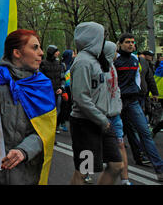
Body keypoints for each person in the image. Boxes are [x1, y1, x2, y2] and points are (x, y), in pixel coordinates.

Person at [0, 29, 56, 185]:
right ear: (17, 53)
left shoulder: (42, 86)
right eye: (35, 47)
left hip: (25, 175)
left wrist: (24, 150)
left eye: (40, 47)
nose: (41, 53)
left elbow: (46, 130)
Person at [69, 22, 123, 185]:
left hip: (101, 121)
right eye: (101, 36)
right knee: (84, 170)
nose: (104, 40)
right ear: (91, 38)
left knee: (116, 165)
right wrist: (102, 120)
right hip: (85, 123)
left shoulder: (96, 61)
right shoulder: (83, 62)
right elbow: (81, 98)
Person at [114, 33, 163, 181]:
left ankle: (159, 169)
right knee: (115, 136)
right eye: (127, 42)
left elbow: (143, 78)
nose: (131, 45)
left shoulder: (136, 60)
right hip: (117, 103)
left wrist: (151, 92)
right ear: (120, 44)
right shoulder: (114, 60)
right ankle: (92, 167)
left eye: (132, 42)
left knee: (145, 133)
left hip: (134, 102)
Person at [103, 41, 132, 185]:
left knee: (121, 145)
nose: (117, 54)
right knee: (91, 148)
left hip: (115, 115)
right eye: (114, 51)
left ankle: (125, 180)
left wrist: (117, 105)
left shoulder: (113, 66)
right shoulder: (98, 68)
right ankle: (86, 172)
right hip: (101, 116)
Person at [40, 45, 65, 133]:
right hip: (47, 93)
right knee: (47, 112)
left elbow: (62, 78)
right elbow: (41, 79)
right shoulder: (43, 64)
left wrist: (62, 88)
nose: (58, 53)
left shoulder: (60, 64)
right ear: (52, 52)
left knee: (57, 111)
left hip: (57, 92)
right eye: (56, 51)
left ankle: (53, 128)